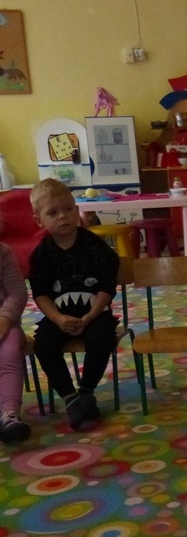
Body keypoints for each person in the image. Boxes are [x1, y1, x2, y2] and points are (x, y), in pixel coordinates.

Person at [28, 178, 119, 431]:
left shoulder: (95, 246)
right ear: (39, 220)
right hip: (60, 316)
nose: (63, 216)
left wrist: (91, 315)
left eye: (68, 209)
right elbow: (40, 294)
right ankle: (71, 398)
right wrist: (58, 319)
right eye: (53, 213)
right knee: (43, 343)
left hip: (96, 313)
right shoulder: (41, 255)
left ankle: (86, 392)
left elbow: (106, 286)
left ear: (77, 210)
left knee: (102, 337)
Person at [0, 212, 29, 444]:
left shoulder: (3, 253)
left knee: (9, 353)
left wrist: (5, 318)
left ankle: (9, 414)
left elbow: (17, 292)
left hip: (5, 322)